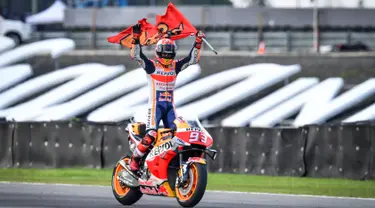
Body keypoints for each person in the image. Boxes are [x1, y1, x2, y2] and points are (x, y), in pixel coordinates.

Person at [127, 23, 205, 174]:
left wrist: (198, 42)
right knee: (151, 135)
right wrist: (136, 37)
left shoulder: (175, 66)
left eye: (170, 53)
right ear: (158, 53)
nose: (167, 56)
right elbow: (137, 55)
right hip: (155, 106)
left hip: (170, 107)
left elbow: (192, 59)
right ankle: (134, 161)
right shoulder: (152, 66)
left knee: (176, 137)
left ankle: (168, 166)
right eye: (165, 53)